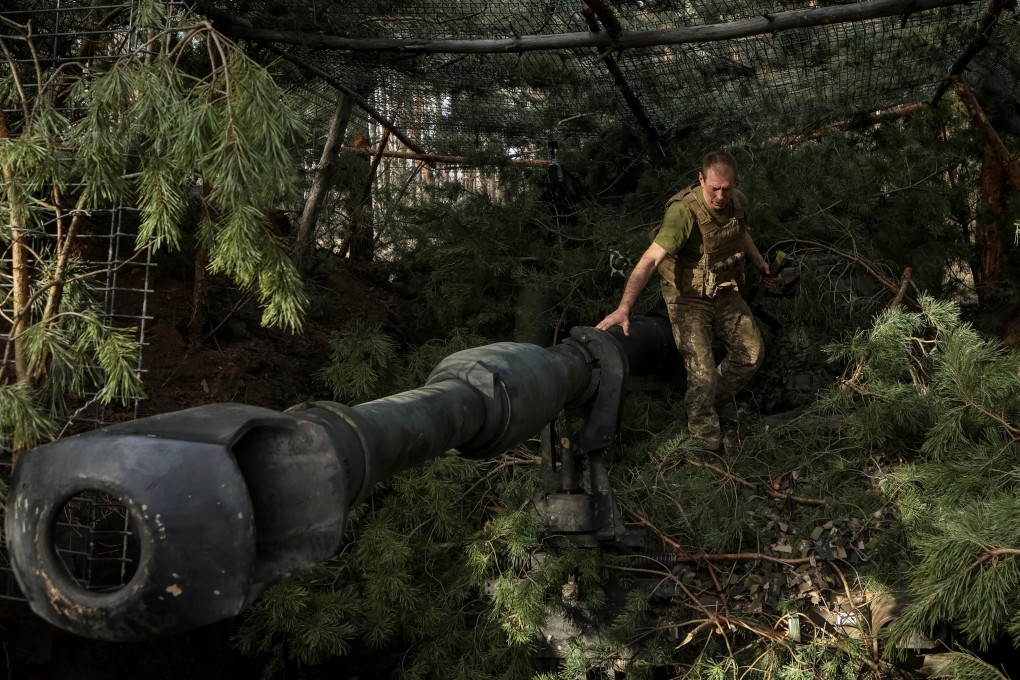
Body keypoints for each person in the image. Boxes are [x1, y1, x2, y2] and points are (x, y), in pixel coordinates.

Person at [595, 150, 778, 452]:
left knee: (751, 353)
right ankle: (704, 444)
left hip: (724, 290)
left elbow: (740, 234)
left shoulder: (737, 201)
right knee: (702, 372)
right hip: (688, 298)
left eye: (727, 189)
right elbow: (650, 260)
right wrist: (624, 307)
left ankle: (705, 400)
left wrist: (761, 265)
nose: (720, 195)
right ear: (701, 179)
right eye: (714, 188)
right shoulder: (683, 213)